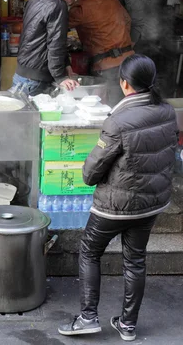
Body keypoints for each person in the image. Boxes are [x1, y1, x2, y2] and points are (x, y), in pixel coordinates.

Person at [58, 55, 178, 342]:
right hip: (150, 204)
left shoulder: (118, 121)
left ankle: (88, 318)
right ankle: (127, 325)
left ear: (124, 83)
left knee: (89, 251)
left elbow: (92, 172)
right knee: (135, 260)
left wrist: (87, 171)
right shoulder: (167, 111)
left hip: (115, 206)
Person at [60, 0, 134, 106]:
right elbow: (128, 21)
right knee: (127, 105)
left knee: (108, 108)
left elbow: (57, 30)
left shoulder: (80, 8)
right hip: (129, 61)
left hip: (107, 66)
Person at [10, 0, 78, 96]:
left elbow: (51, 37)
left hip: (23, 74)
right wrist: (60, 76)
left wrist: (65, 64)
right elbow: (56, 42)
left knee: (20, 115)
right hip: (36, 79)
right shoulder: (58, 3)